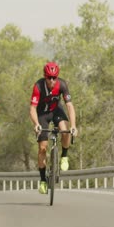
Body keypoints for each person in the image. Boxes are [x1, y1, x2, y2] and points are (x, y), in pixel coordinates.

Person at [29, 62, 78, 194]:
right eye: (49, 77)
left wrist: (73, 125)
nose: (52, 80)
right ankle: (43, 180)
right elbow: (32, 109)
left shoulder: (62, 84)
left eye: (54, 77)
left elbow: (69, 106)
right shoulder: (38, 86)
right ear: (45, 76)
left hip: (56, 110)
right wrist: (36, 124)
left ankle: (64, 155)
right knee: (42, 148)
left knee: (65, 130)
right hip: (42, 115)